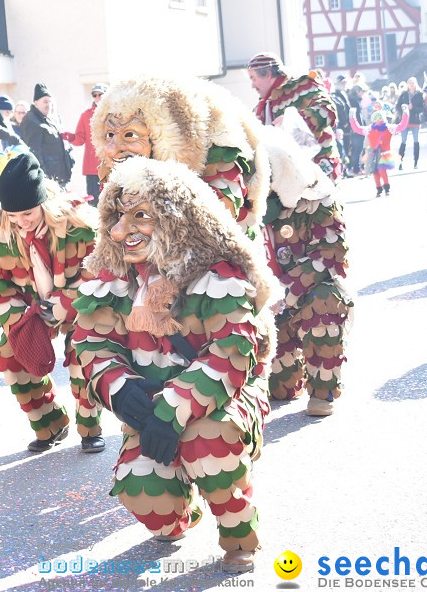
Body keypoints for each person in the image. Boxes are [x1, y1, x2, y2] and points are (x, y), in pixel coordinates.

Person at [72, 156, 279, 573]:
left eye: (140, 216)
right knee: (143, 492)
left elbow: (231, 357)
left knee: (207, 441)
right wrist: (117, 386)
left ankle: (239, 535)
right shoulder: (111, 278)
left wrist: (172, 409)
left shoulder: (217, 276)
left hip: (223, 403)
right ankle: (181, 508)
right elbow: (91, 343)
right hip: (151, 407)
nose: (119, 231)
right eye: (116, 216)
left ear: (174, 217)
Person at [0, 153, 104, 454]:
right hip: (29, 310)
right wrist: (20, 319)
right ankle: (51, 424)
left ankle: (90, 428)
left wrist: (67, 302)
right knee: (11, 358)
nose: (20, 222)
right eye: (13, 215)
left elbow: (99, 269)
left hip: (79, 306)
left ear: (42, 203)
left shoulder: (79, 224)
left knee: (82, 353)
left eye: (28, 214)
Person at [92, 76, 269, 239]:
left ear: (162, 137)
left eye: (130, 135)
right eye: (109, 135)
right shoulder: (117, 171)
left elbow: (216, 231)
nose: (111, 150)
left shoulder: (217, 158)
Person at [256, 127, 352, 414]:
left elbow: (331, 252)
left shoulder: (319, 195)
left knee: (327, 299)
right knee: (281, 392)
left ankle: (323, 392)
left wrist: (286, 292)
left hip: (306, 295)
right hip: (267, 302)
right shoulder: (249, 202)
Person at [247, 53, 341, 181]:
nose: (252, 85)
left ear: (268, 74)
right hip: (287, 179)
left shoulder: (303, 84)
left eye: (253, 78)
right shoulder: (262, 106)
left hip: (317, 172)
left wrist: (291, 121)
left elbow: (327, 110)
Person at [348, 98, 409, 197]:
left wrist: (406, 113)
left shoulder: (388, 128)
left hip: (384, 153)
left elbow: (402, 126)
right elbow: (357, 128)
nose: (378, 120)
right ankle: (378, 188)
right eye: (376, 118)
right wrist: (352, 117)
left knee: (382, 170)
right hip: (373, 153)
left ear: (383, 118)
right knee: (375, 172)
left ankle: (386, 187)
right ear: (373, 119)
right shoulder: (370, 129)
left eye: (380, 118)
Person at [19, 84, 74, 187]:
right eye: (45, 101)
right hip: (49, 181)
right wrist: (44, 178)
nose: (48, 104)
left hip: (59, 178)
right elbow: (34, 153)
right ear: (36, 103)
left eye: (49, 101)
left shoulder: (47, 119)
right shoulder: (31, 121)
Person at [68, 84, 106, 204]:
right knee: (94, 201)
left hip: (110, 165)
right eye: (95, 95)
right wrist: (70, 137)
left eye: (100, 94)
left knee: (110, 202)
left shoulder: (115, 114)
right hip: (92, 167)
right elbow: (79, 140)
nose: (97, 97)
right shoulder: (86, 115)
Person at [395, 77, 425, 170]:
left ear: (415, 84)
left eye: (413, 83)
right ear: (407, 84)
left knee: (416, 141)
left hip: (415, 120)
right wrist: (404, 109)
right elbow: (397, 107)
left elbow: (422, 108)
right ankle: (400, 162)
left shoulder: (420, 95)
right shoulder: (403, 94)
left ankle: (415, 162)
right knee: (403, 141)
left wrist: (413, 108)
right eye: (409, 83)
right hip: (405, 121)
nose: (411, 84)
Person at [331, 75, 352, 173]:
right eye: (342, 82)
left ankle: (346, 167)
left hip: (347, 123)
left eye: (345, 82)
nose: (344, 84)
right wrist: (344, 122)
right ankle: (344, 168)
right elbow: (340, 109)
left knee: (346, 146)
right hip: (341, 124)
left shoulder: (343, 92)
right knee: (342, 147)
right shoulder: (336, 93)